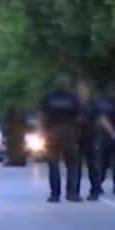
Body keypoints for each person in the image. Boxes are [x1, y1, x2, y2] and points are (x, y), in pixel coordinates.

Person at [40, 75, 81, 203]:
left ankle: (55, 194)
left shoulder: (48, 97)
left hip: (51, 133)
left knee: (53, 164)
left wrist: (42, 130)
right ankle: (72, 193)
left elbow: (42, 114)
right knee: (72, 164)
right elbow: (79, 116)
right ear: (67, 84)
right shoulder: (72, 97)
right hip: (68, 133)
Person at [75, 81, 103, 201]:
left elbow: (99, 119)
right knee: (76, 165)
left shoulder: (93, 104)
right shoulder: (74, 103)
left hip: (91, 136)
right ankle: (74, 191)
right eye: (80, 89)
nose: (82, 91)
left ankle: (95, 190)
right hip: (76, 137)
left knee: (93, 164)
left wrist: (98, 132)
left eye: (84, 89)